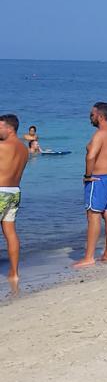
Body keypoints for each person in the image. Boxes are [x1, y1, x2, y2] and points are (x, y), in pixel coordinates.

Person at [73, 102, 107, 269]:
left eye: (92, 114)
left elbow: (90, 157)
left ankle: (89, 257)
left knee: (93, 216)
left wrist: (87, 176)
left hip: (99, 179)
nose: (90, 117)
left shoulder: (100, 134)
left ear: (100, 116)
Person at [0, 114, 29, 283]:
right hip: (14, 192)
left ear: (10, 128)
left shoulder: (3, 146)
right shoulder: (23, 148)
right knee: (10, 233)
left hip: (1, 191)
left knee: (10, 233)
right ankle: (14, 272)